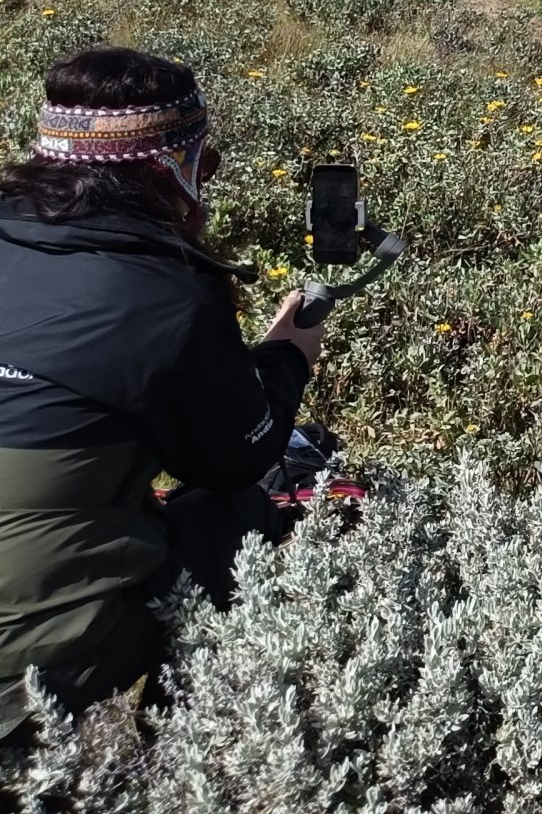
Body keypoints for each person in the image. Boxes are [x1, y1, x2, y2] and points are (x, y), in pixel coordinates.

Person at [0, 49, 321, 745]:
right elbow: (237, 457)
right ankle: (191, 751)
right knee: (229, 517)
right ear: (166, 167)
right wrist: (287, 356)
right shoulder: (165, 295)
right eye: (204, 164)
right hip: (21, 668)